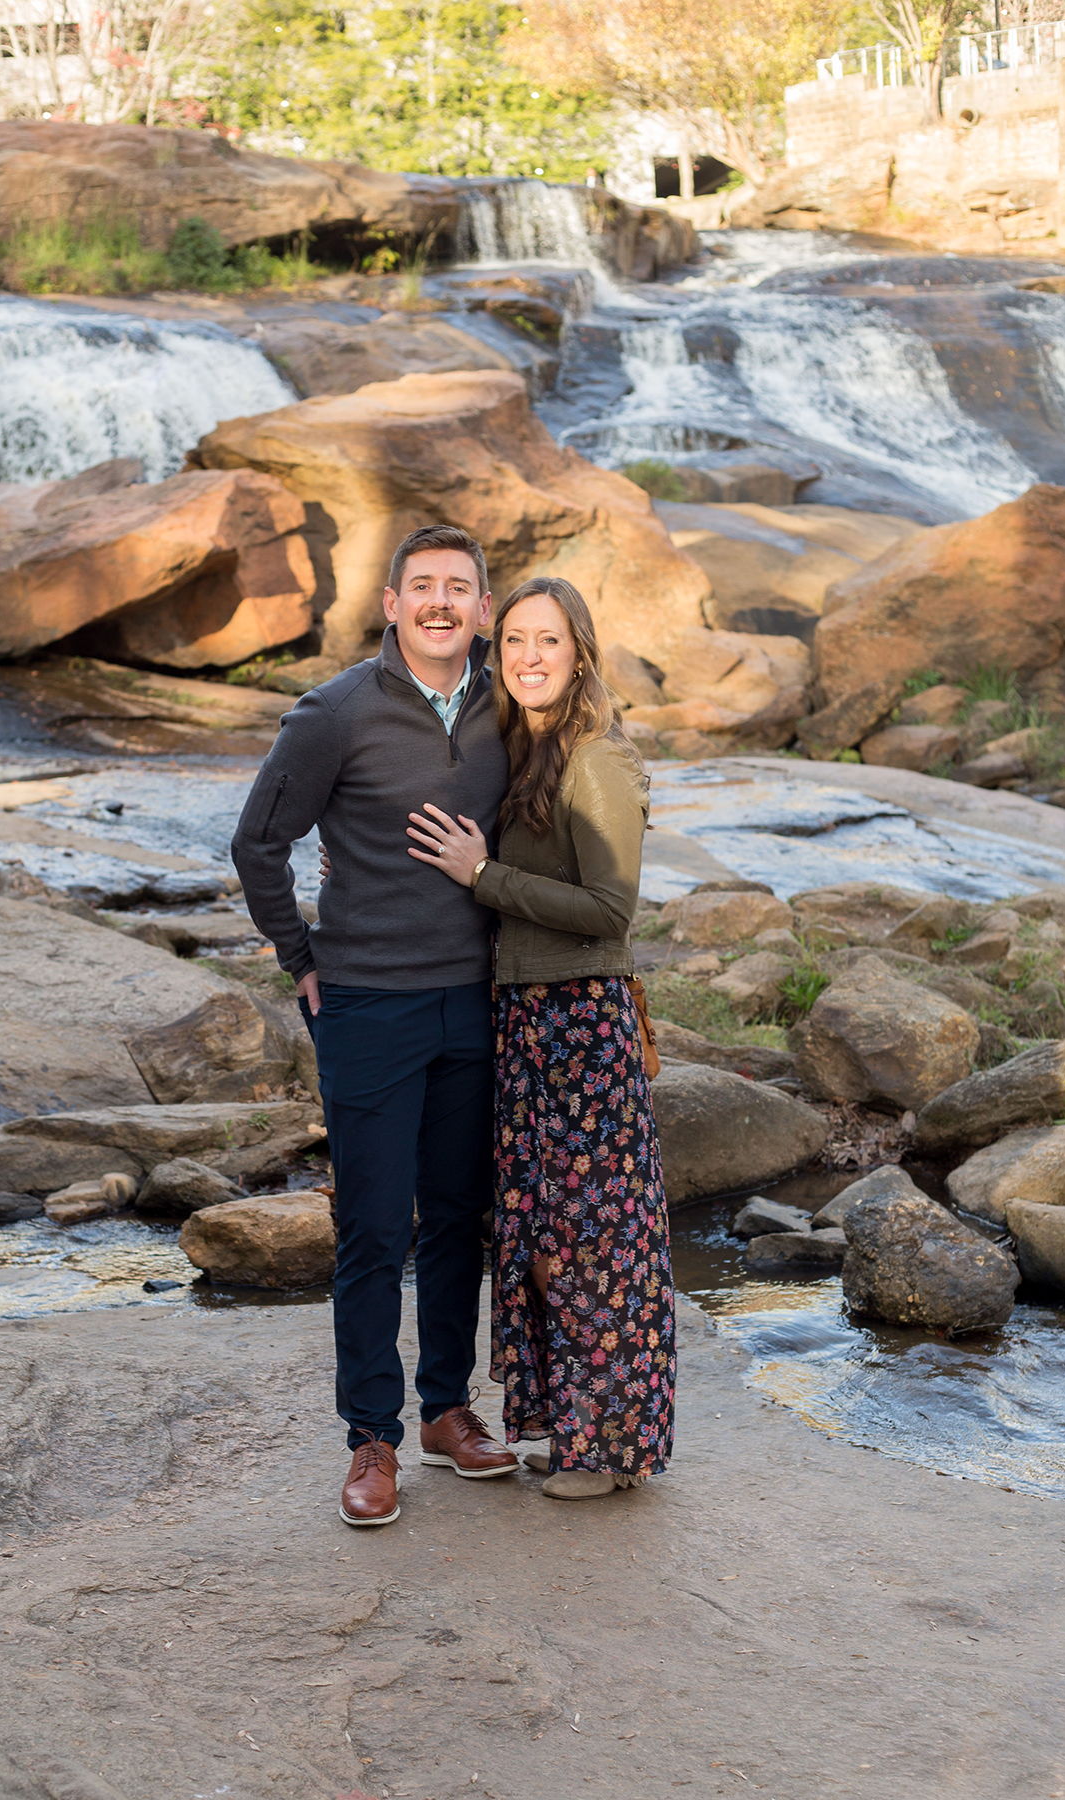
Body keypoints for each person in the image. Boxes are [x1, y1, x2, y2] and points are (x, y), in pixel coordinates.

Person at [231, 524, 520, 1530]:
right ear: (391, 604)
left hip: (478, 1003)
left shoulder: (510, 705)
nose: (442, 603)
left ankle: (447, 1409)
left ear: (484, 610)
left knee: (456, 1218)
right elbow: (258, 840)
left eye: (461, 588)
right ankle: (373, 1438)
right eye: (423, 587)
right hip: (366, 1005)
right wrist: (300, 959)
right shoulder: (335, 712)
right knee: (369, 1228)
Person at [405, 576, 675, 1500]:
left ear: (579, 652)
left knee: (598, 1237)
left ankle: (609, 1451)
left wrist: (484, 876)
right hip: (527, 1022)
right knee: (543, 1236)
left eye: (547, 641)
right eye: (513, 639)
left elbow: (610, 909)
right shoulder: (525, 750)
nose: (527, 657)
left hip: (582, 1028)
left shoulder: (594, 758)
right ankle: (572, 1428)